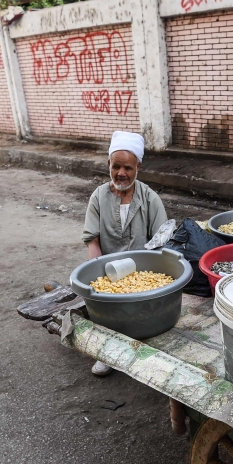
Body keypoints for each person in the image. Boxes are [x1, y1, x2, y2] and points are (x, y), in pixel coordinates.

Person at [83, 131, 168, 377]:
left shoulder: (150, 198)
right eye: (116, 166)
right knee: (105, 311)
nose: (122, 173)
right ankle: (108, 353)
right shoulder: (98, 197)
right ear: (108, 164)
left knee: (145, 319)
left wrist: (145, 281)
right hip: (108, 274)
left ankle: (142, 352)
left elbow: (160, 243)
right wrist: (99, 280)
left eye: (128, 168)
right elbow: (93, 242)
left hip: (144, 274)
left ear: (138, 167)